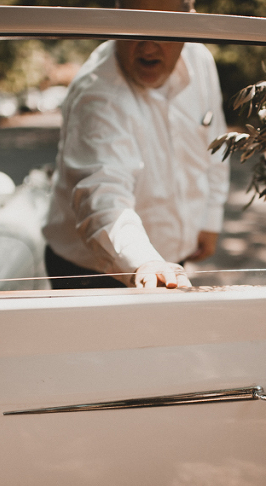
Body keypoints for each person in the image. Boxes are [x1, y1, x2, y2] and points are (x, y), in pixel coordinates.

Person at [41, 0, 229, 289]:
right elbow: (103, 192)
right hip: (92, 273)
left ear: (189, 21)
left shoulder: (200, 58)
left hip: (171, 263)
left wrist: (210, 220)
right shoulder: (97, 93)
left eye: (164, 28)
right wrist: (143, 261)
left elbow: (215, 144)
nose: (149, 47)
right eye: (134, 25)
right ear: (115, 20)